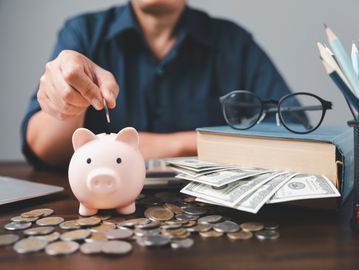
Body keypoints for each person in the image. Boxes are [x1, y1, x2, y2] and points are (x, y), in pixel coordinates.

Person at [21, 0, 292, 169]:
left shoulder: (235, 43)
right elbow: (47, 150)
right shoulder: (83, 33)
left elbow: (294, 131)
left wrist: (171, 144)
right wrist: (70, 96)